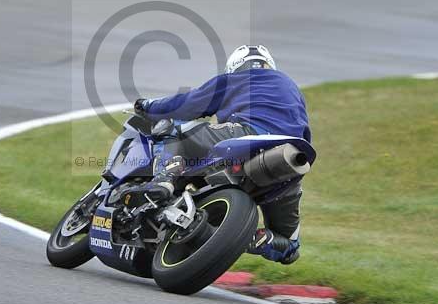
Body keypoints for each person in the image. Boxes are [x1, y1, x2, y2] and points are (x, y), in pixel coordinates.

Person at [132, 45, 310, 265]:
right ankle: (250, 239)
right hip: (291, 161)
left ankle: (163, 181)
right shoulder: (292, 88)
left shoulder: (235, 79)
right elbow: (304, 132)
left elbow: (187, 104)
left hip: (248, 136)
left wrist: (147, 106)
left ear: (234, 67)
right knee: (290, 247)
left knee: (174, 130)